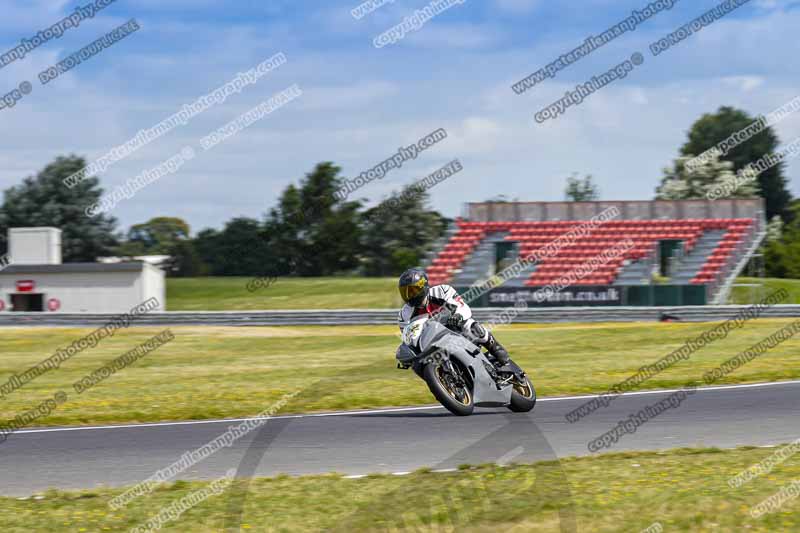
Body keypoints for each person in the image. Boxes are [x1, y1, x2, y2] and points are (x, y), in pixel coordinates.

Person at [397, 267, 511, 368]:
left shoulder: (441, 291)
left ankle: (496, 349)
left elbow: (461, 306)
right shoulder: (404, 314)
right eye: (405, 292)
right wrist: (407, 354)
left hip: (454, 327)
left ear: (423, 286)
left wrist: (458, 316)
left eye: (412, 291)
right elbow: (408, 337)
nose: (409, 296)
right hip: (430, 341)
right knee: (418, 365)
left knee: (472, 326)